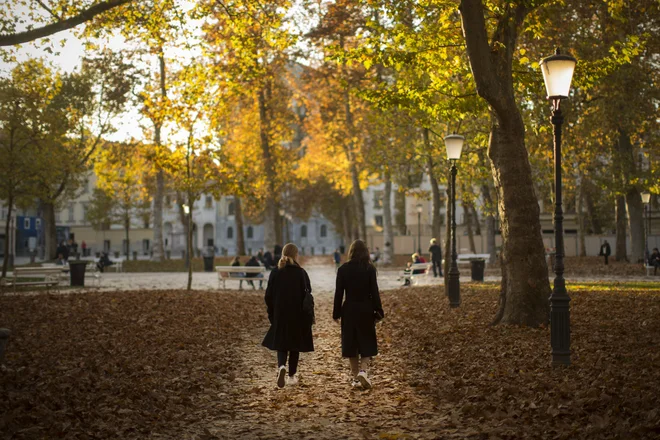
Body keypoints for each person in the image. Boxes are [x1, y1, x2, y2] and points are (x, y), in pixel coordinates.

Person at [333, 239, 384, 389]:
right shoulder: (370, 269)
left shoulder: (343, 269)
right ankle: (363, 370)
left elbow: (338, 293)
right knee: (366, 340)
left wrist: (336, 313)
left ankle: (355, 378)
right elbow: (374, 292)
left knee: (351, 343)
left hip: (349, 309)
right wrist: (379, 312)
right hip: (366, 309)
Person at [262, 243, 314, 388]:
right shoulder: (301, 273)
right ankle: (291, 375)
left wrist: (272, 313)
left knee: (282, 343)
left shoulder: (275, 272)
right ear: (296, 255)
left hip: (280, 313)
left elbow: (268, 296)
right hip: (297, 314)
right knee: (294, 345)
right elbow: (308, 292)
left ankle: (281, 366)